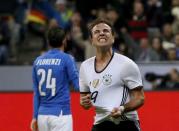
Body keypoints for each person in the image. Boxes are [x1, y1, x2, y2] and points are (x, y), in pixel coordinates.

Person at [79, 18, 145, 131]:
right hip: (100, 122)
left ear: (113, 38)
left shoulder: (126, 64)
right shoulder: (85, 66)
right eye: (97, 32)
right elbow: (84, 101)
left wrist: (122, 108)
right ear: (91, 40)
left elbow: (140, 98)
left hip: (125, 122)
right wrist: (84, 103)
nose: (101, 33)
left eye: (106, 30)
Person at [30, 27, 79, 131]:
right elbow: (78, 85)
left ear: (48, 41)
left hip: (42, 116)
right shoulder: (67, 58)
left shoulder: (37, 61)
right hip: (60, 114)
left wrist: (34, 117)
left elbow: (36, 93)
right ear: (64, 40)